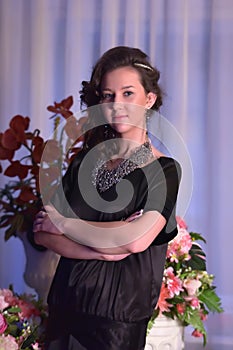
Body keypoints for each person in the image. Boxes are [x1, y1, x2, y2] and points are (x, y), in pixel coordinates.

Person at [33, 46, 181, 350]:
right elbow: (42, 234)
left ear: (149, 99)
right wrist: (101, 251)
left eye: (128, 93)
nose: (116, 104)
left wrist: (62, 222)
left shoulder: (163, 170)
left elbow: (135, 241)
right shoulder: (84, 164)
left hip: (116, 322)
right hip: (65, 308)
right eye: (107, 95)